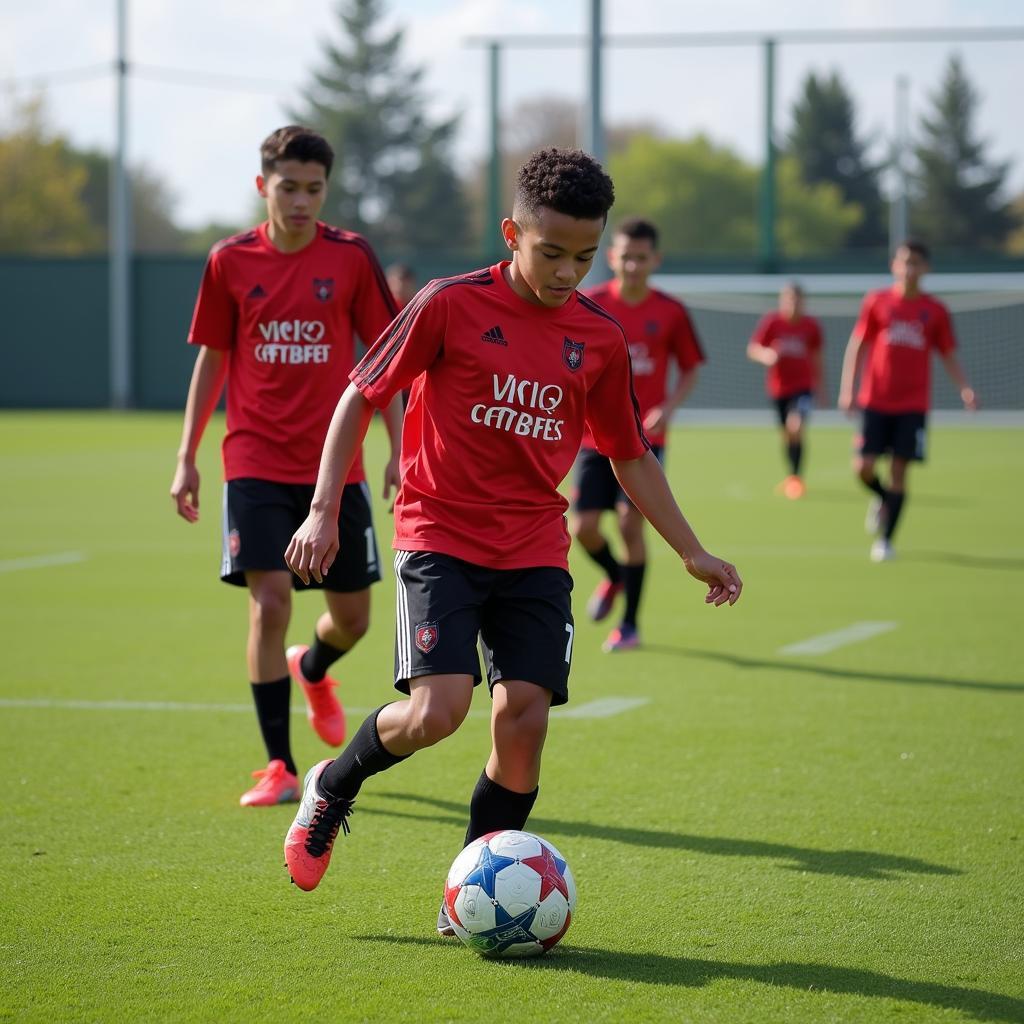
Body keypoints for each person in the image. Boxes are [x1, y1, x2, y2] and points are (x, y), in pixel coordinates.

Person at [279, 148, 742, 933]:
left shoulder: (597, 338)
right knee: (438, 713)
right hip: (438, 535)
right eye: (552, 252)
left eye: (584, 257)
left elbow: (630, 452)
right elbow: (360, 395)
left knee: (523, 720)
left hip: (533, 546)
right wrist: (324, 508)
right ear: (511, 234)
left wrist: (689, 548)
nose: (569, 272)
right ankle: (334, 782)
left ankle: (465, 899)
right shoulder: (448, 304)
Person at [169, 126, 404, 807]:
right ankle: (278, 765)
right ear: (262, 186)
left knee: (353, 619)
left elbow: (387, 354)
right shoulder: (229, 261)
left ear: (325, 190)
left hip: (337, 468)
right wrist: (186, 456)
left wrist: (398, 446)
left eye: (314, 189)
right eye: (288, 188)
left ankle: (316, 666)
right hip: (253, 459)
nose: (301, 201)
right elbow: (212, 356)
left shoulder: (352, 256)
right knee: (269, 605)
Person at [569, 217, 705, 653]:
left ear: (654, 260)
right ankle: (615, 576)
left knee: (631, 526)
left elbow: (691, 366)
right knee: (583, 528)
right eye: (625, 256)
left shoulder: (670, 311)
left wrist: (669, 406)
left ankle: (629, 625)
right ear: (612, 257)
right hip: (593, 439)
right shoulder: (588, 303)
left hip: (644, 441)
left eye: (640, 258)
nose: (632, 265)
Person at [838, 239, 977, 562]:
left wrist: (965, 387)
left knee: (900, 471)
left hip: (912, 405)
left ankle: (885, 540)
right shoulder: (877, 302)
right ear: (894, 266)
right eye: (904, 262)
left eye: (916, 263)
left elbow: (948, 353)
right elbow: (858, 345)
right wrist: (848, 389)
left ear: (926, 268)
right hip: (875, 400)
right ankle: (883, 498)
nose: (909, 269)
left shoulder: (935, 311)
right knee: (863, 468)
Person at [747, 282, 825, 500]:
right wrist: (767, 355)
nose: (793, 304)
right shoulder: (772, 322)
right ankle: (792, 475)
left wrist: (821, 388)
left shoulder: (811, 326)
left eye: (797, 299)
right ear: (782, 301)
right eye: (789, 299)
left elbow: (818, 357)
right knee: (787, 434)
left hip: (803, 387)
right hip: (779, 389)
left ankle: (796, 477)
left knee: (795, 426)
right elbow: (753, 348)